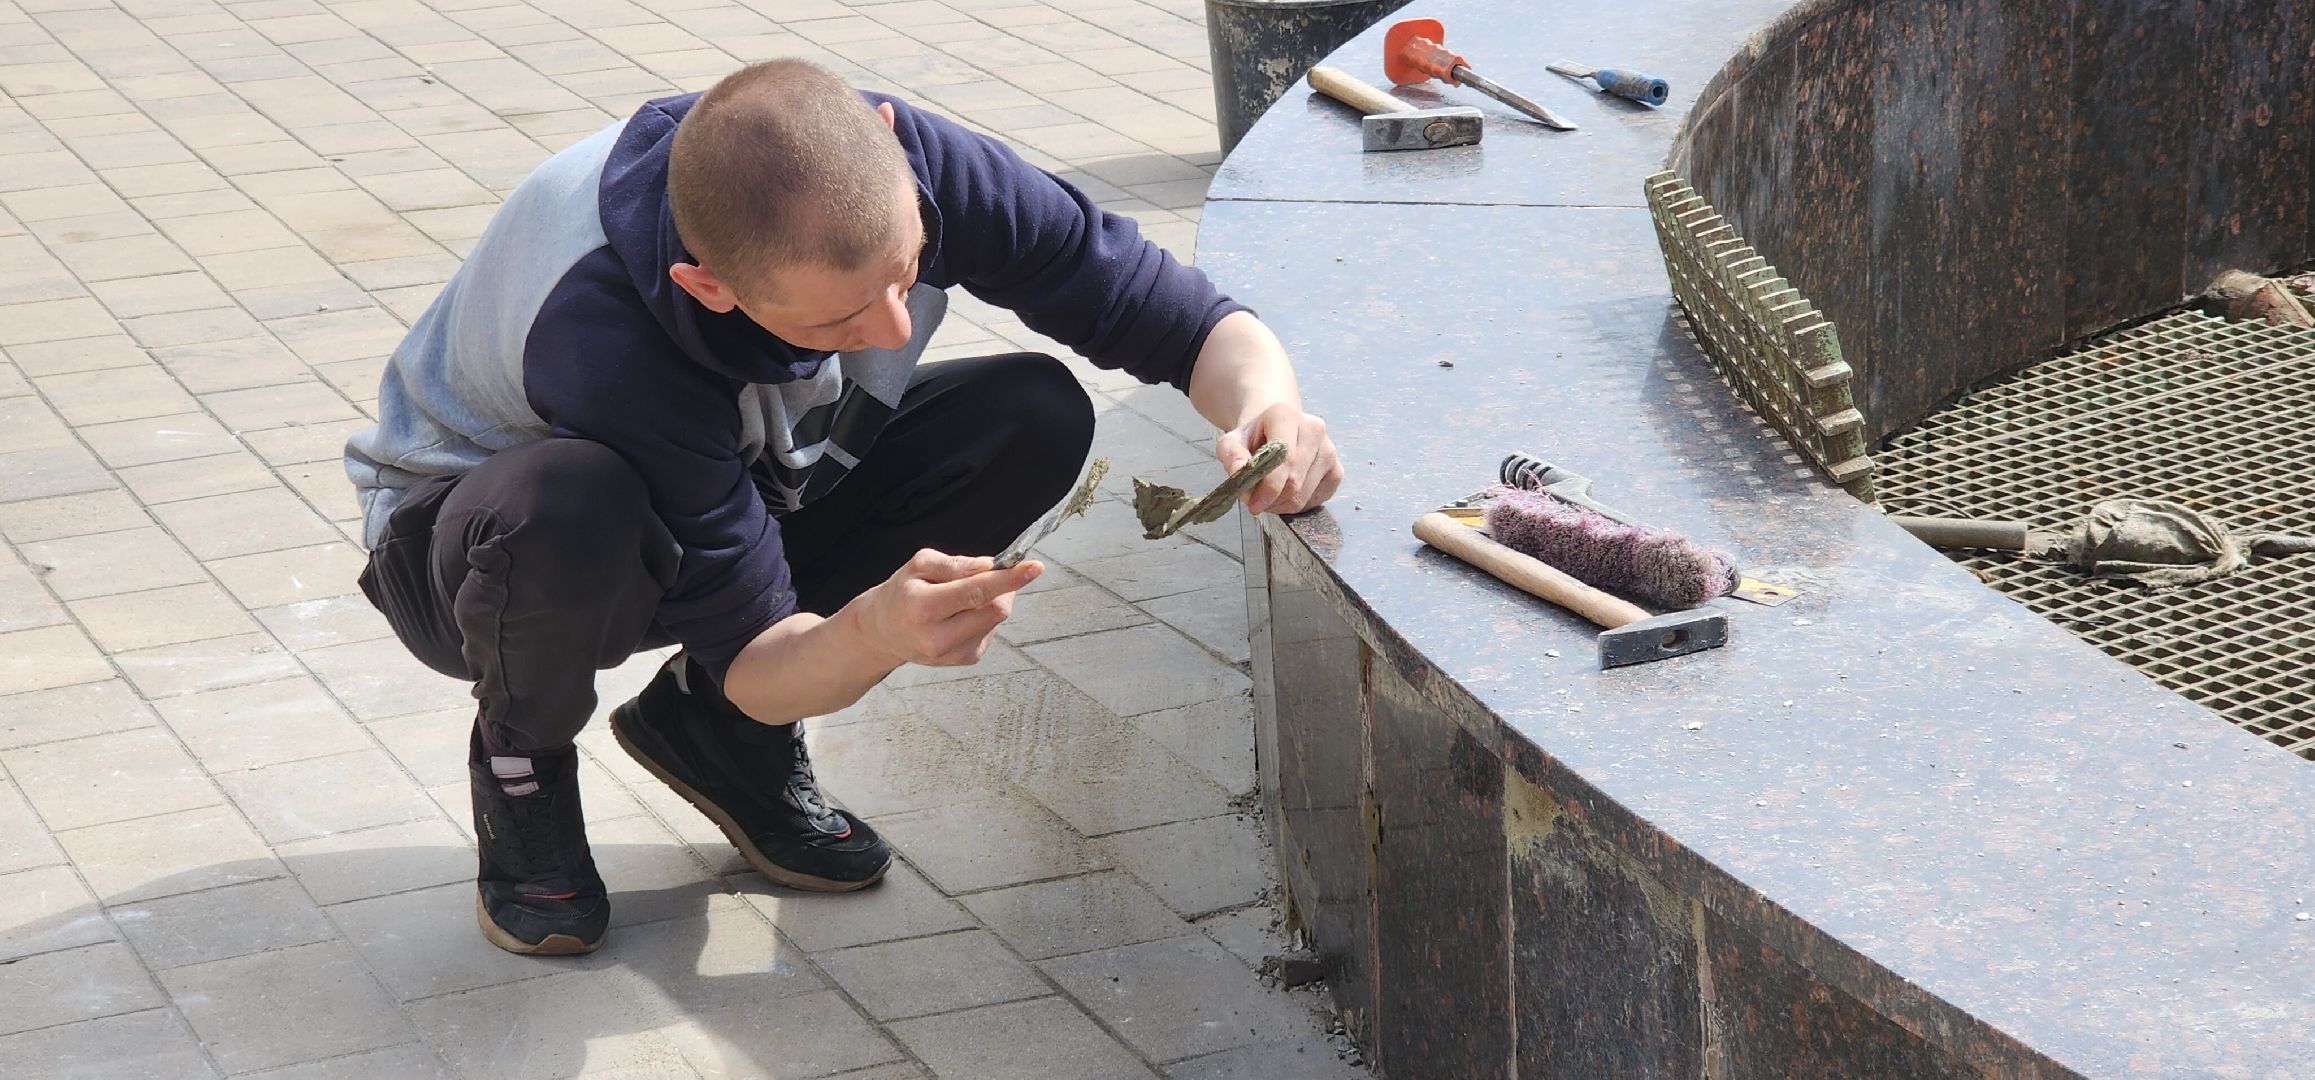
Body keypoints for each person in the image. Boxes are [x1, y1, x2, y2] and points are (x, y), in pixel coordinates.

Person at [344, 58, 1343, 957]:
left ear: (891, 147)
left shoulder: (895, 164)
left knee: (1029, 413)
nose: (893, 326)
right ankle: (521, 766)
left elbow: (1171, 315)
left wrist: (1270, 408)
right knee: (569, 503)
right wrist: (870, 634)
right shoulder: (607, 337)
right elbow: (761, 667)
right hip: (473, 548)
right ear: (709, 285)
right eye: (839, 316)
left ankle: (710, 741)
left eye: (906, 272)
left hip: (717, 473)